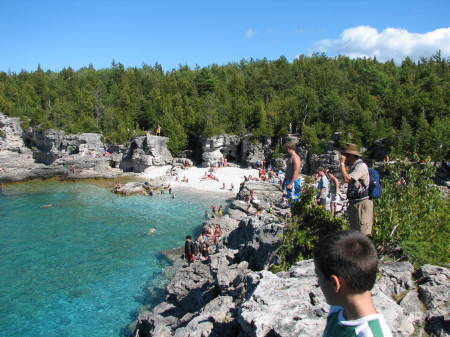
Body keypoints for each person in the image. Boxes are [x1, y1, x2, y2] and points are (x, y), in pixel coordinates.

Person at [314, 230, 393, 337]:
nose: (318, 283)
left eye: (319, 276)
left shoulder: (372, 334)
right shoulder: (338, 308)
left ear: (335, 283)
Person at [340, 144, 373, 236]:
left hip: (361, 204)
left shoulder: (361, 166)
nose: (344, 157)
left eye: (346, 155)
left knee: (362, 234)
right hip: (355, 203)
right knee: (355, 234)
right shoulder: (354, 166)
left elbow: (347, 179)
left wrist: (342, 163)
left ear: (351, 156)